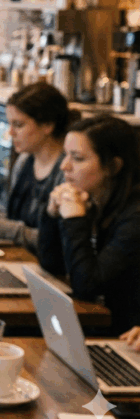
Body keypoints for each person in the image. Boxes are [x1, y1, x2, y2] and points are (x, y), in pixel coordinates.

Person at [38, 115, 140, 335]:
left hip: (122, 337)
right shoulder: (94, 198)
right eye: (66, 155)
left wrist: (74, 220)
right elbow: (51, 264)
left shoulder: (135, 216)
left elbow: (88, 286)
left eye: (78, 158)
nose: (65, 166)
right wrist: (52, 215)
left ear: (113, 167)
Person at [0, 82, 71, 252]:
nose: (10, 133)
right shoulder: (24, 161)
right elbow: (19, 221)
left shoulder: (66, 172)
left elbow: (56, 243)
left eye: (18, 125)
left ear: (47, 125)